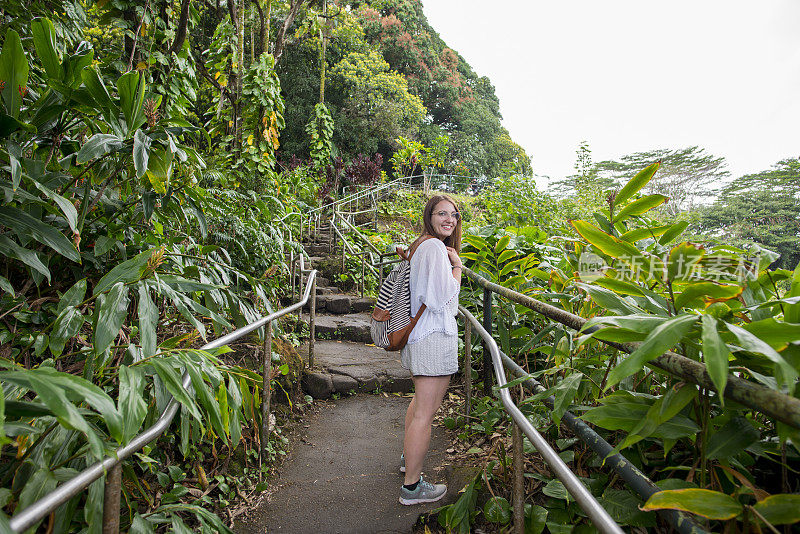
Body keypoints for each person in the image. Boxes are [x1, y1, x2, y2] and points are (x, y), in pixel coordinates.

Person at [398, 194, 463, 505]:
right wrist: (458, 268)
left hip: (419, 337)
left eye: (453, 214)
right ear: (430, 216)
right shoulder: (436, 248)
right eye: (441, 214)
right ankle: (412, 487)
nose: (448, 219)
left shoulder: (421, 244)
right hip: (433, 337)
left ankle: (407, 461)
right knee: (427, 412)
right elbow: (443, 302)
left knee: (419, 406)